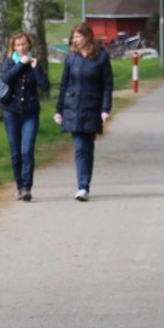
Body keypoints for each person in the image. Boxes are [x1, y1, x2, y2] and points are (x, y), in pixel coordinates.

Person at [54, 22, 114, 202]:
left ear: (88, 37)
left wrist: (105, 109)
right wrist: (59, 110)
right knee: (80, 148)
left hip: (92, 107)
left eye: (79, 36)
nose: (75, 40)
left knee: (88, 147)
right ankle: (82, 186)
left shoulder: (101, 57)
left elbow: (107, 85)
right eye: (74, 37)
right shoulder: (71, 57)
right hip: (72, 108)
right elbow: (64, 84)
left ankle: (85, 182)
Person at [0, 31, 51, 201]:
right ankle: (19, 186)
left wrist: (35, 68)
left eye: (24, 44)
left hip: (30, 114)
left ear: (29, 46)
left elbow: (44, 86)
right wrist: (20, 64)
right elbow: (6, 79)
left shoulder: (35, 64)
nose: (21, 47)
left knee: (27, 150)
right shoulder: (9, 63)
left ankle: (27, 187)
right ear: (14, 47)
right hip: (11, 113)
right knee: (15, 153)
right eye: (18, 45)